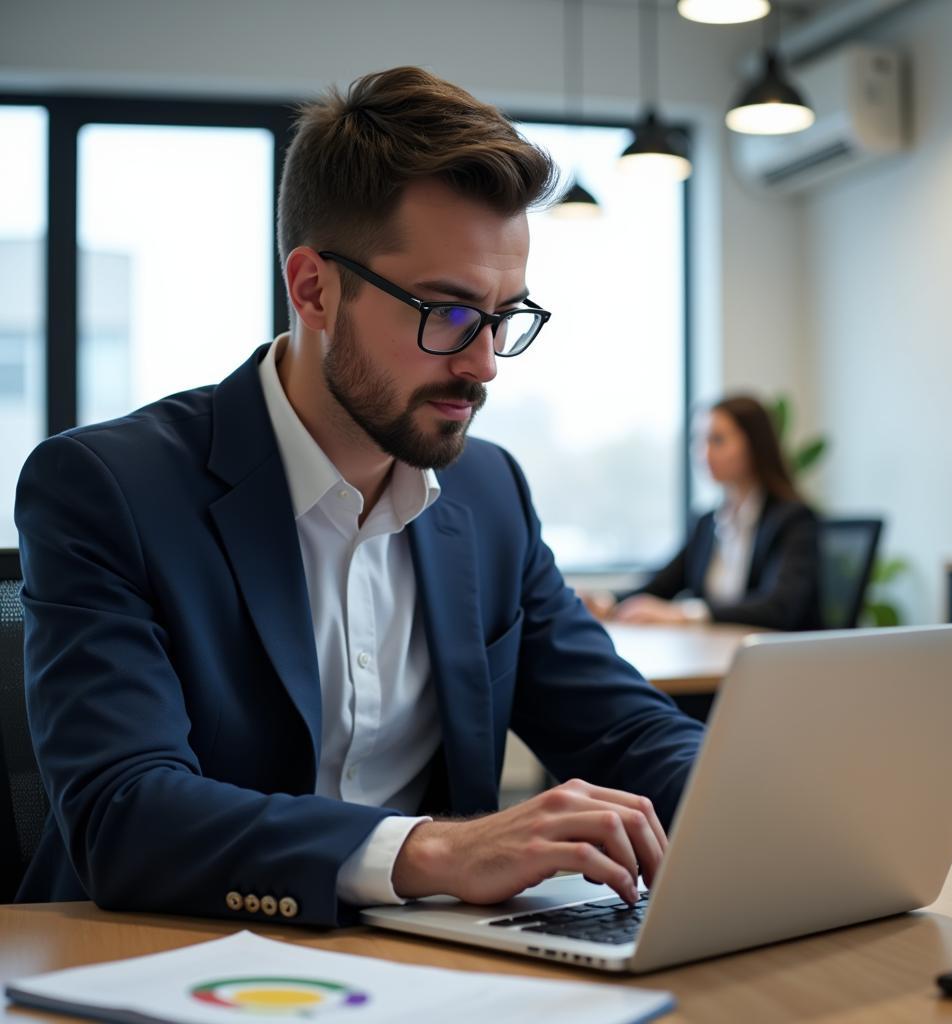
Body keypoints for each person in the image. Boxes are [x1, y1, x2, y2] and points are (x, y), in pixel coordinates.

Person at [14, 67, 705, 927]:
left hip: (425, 971)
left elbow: (628, 734)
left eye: (504, 317)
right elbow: (123, 813)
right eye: (447, 312)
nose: (483, 363)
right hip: (161, 960)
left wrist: (770, 808)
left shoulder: (488, 494)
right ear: (313, 289)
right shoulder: (107, 489)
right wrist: (438, 850)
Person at [586, 395, 821, 631]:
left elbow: (779, 607)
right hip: (714, 649)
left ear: (754, 444)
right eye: (699, 441)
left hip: (770, 657)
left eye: (717, 440)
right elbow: (661, 586)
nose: (704, 453)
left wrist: (685, 614)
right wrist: (607, 602)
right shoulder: (708, 523)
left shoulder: (792, 520)